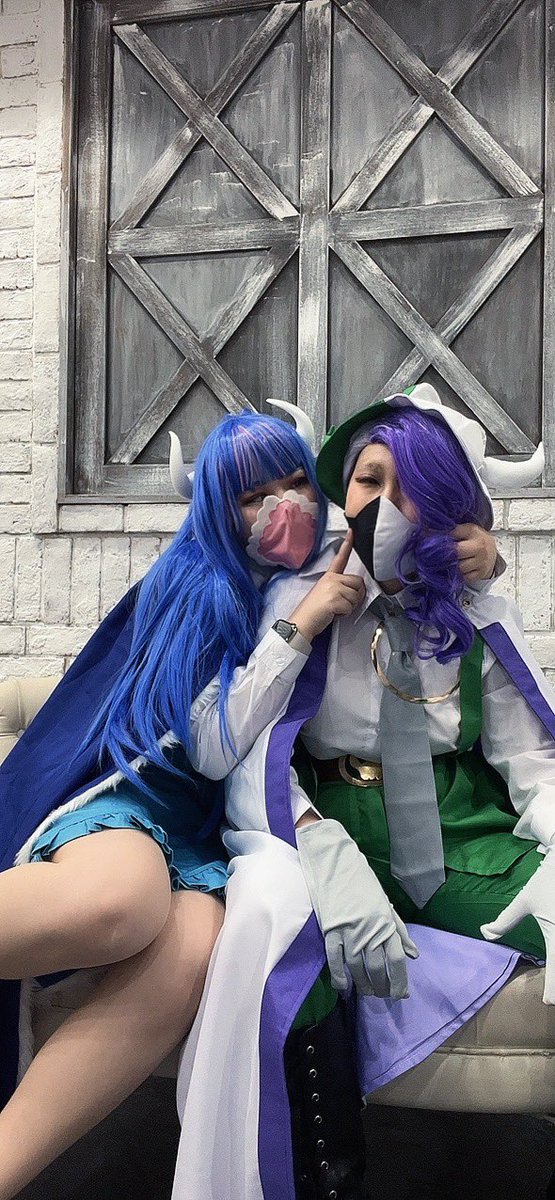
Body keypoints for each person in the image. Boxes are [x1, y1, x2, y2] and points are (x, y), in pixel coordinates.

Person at [0, 402, 499, 1200]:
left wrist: (480, 551)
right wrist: (298, 626)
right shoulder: (199, 582)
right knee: (120, 902)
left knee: (190, 954)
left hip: (213, 841)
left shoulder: (335, 562)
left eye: (296, 482)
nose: (284, 506)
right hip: (143, 801)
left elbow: (410, 525)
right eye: (253, 495)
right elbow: (202, 746)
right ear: (218, 508)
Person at [173, 387, 551, 1200]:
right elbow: (235, 754)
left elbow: (530, 758)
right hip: (336, 820)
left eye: (411, 489)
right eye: (367, 482)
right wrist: (316, 841)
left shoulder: (481, 609)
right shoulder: (295, 593)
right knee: (292, 954)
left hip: (460, 829)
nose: (384, 507)